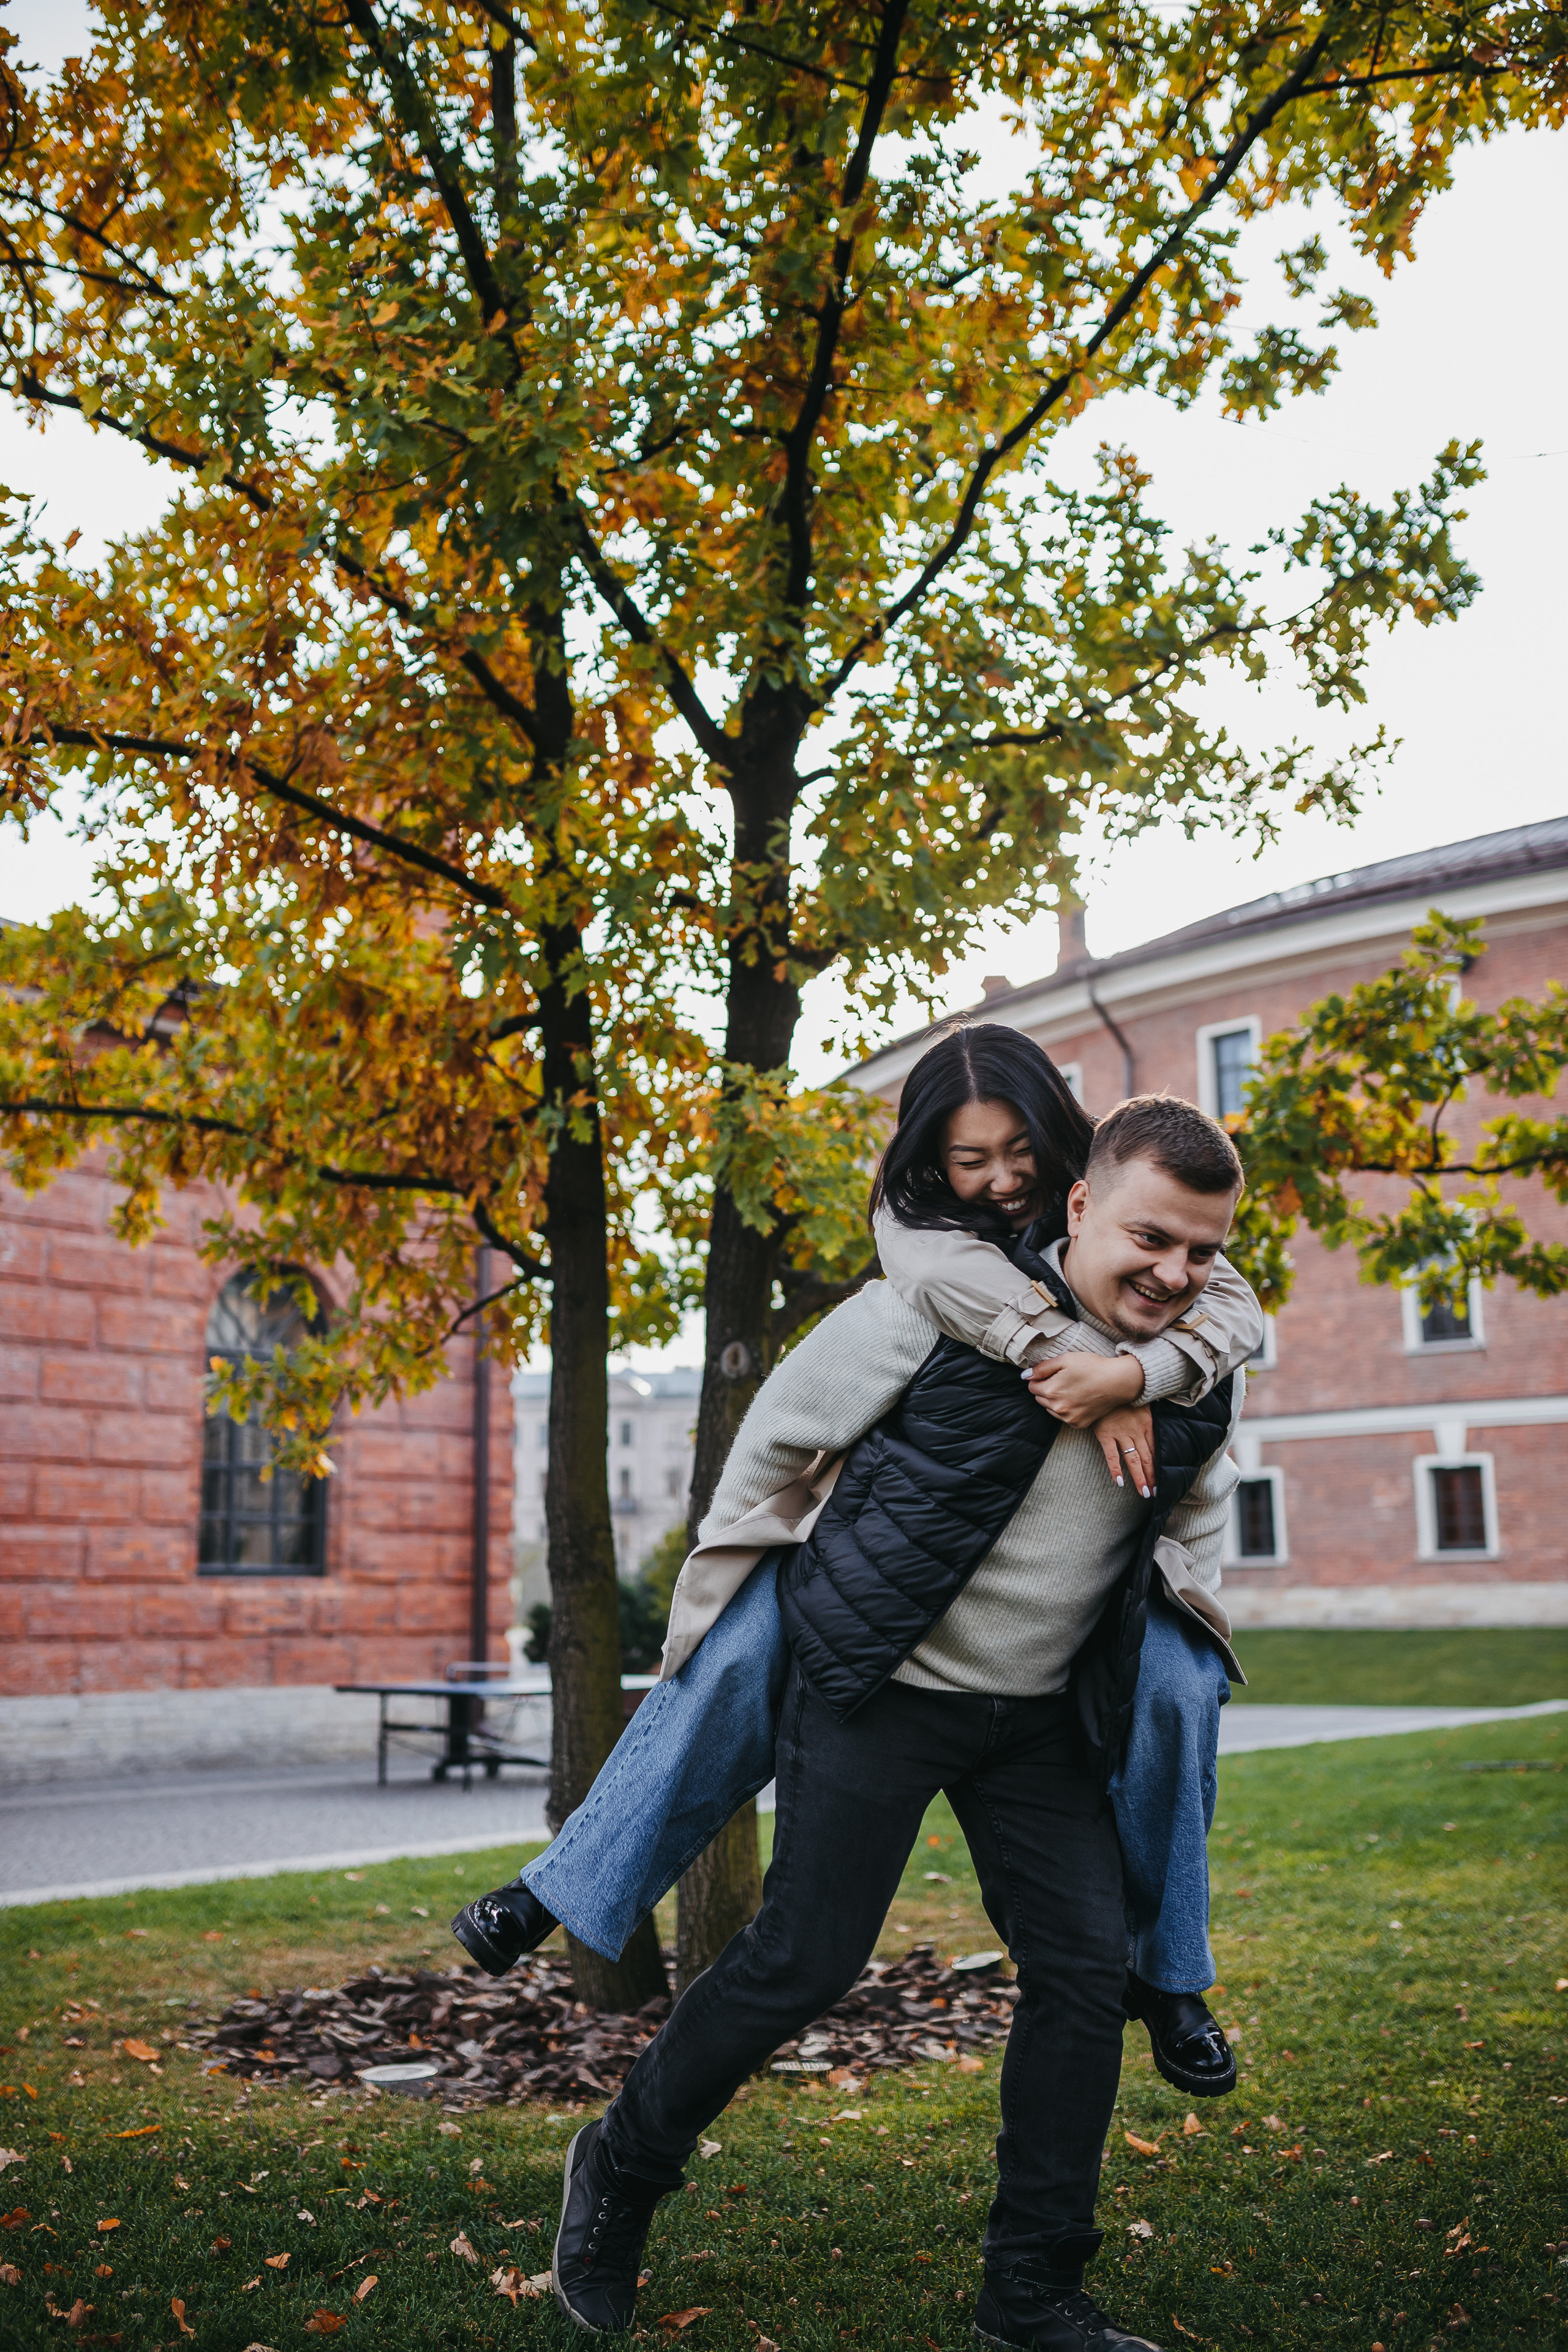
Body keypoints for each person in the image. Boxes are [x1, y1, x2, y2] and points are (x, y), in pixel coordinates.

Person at [529, 1071, 1251, 2349]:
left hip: (1034, 1722)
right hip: (876, 1686)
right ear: (1080, 1206)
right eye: (1148, 1238)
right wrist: (730, 1610)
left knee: (1083, 1980)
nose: (1172, 1271)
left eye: (1201, 1250)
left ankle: (1030, 2296)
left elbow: (1192, 1513)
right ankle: (618, 2168)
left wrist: (1149, 1401)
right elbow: (768, 1446)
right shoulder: (926, 1309)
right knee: (803, 1958)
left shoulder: (1188, 1364)